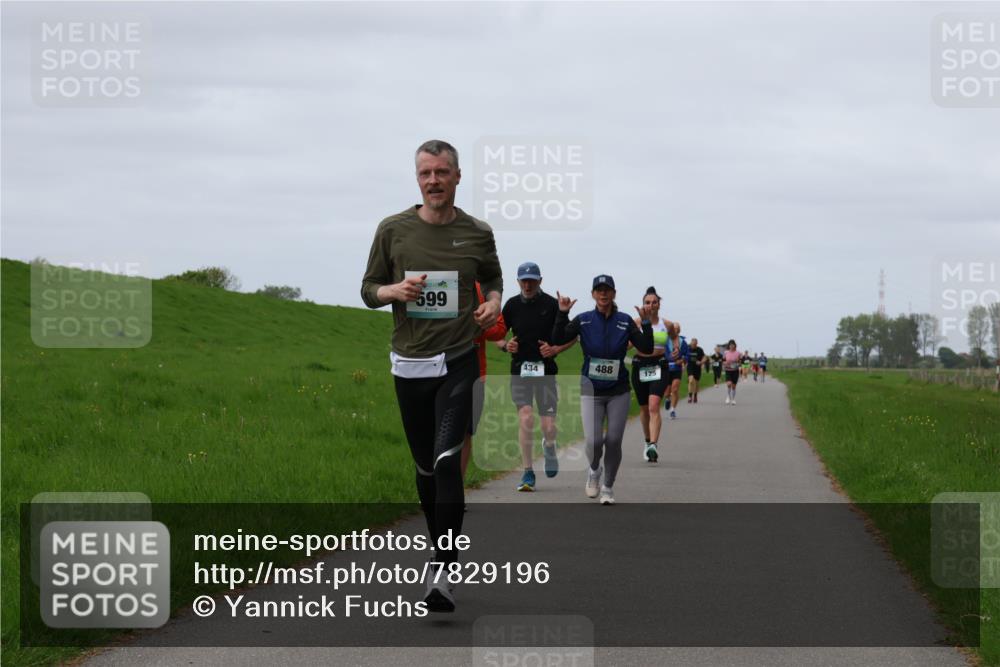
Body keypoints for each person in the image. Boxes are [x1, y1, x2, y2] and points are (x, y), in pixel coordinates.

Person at [361, 139, 502, 612]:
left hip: (458, 360)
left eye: (442, 172)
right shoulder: (392, 230)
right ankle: (439, 547)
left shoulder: (478, 232)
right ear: (417, 179)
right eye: (426, 174)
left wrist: (493, 303)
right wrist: (393, 290)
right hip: (409, 363)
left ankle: (442, 568)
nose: (434, 181)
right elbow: (367, 290)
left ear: (458, 176)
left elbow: (494, 276)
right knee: (424, 468)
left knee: (446, 461)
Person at [551, 275, 654, 505]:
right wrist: (562, 313)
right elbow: (557, 338)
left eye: (607, 290)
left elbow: (646, 348)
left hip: (618, 390)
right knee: (593, 441)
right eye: (599, 290)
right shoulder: (584, 320)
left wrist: (645, 324)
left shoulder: (625, 321)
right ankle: (594, 470)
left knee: (614, 440)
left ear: (614, 293)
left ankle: (608, 486)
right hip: (591, 390)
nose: (603, 294)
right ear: (593, 294)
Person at [498, 262, 575, 491]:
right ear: (518, 281)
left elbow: (572, 336)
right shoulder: (511, 306)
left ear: (540, 280)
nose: (528, 284)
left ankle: (549, 446)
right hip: (520, 370)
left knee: (548, 426)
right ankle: (528, 472)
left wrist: (556, 350)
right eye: (524, 280)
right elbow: (495, 335)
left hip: (546, 372)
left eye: (532, 280)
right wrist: (505, 345)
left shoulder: (552, 305)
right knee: (526, 418)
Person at [461, 282, 507, 481]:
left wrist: (478, 326)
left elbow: (500, 329)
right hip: (438, 372)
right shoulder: (441, 282)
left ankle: (455, 490)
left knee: (466, 433)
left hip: (475, 375)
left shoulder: (482, 289)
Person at [629, 286, 676, 463]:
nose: (651, 305)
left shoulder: (667, 324)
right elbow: (627, 343)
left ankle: (653, 446)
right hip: (640, 365)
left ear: (659, 304)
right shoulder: (636, 323)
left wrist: (676, 348)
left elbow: (674, 336)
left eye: (654, 302)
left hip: (659, 365)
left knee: (654, 406)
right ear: (643, 305)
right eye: (647, 302)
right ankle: (647, 441)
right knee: (643, 409)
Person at [663, 323, 689, 419]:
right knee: (666, 392)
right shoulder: (665, 340)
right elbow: (662, 353)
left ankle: (672, 410)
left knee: (675, 389)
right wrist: (669, 359)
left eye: (677, 328)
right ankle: (667, 399)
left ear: (679, 330)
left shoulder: (683, 342)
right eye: (674, 328)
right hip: (667, 369)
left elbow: (687, 355)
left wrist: (682, 360)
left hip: (677, 369)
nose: (676, 330)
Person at [686, 337, 706, 403]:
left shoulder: (700, 350)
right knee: (691, 381)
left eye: (694, 344)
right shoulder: (687, 349)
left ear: (697, 344)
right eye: (692, 344)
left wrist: (701, 362)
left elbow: (704, 357)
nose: (693, 345)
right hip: (690, 367)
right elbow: (683, 356)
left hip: (697, 368)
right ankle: (689, 396)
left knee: (696, 383)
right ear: (690, 343)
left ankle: (695, 396)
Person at [723, 340, 742, 405]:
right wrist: (725, 362)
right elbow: (723, 361)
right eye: (730, 345)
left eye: (733, 345)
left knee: (733, 386)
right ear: (729, 346)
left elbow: (741, 362)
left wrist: (738, 361)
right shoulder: (726, 352)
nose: (732, 346)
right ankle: (728, 397)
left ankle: (733, 399)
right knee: (728, 384)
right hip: (728, 370)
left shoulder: (738, 353)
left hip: (735, 371)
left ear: (735, 345)